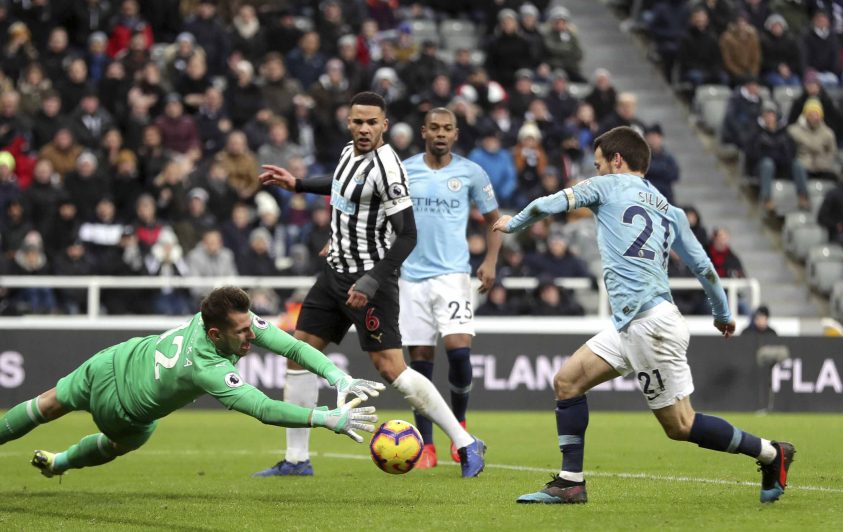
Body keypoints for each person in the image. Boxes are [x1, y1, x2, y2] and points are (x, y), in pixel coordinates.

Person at [493, 126, 794, 504]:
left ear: (617, 161)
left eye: (600, 163)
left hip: (649, 327)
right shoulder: (672, 211)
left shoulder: (607, 186)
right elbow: (705, 269)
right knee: (567, 381)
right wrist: (723, 314)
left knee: (681, 425)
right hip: (633, 323)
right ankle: (570, 482)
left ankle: (771, 453)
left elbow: (548, 204)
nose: (597, 170)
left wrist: (512, 223)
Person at [256, 92, 486, 478]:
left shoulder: (389, 168)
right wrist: (297, 184)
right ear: (349, 123)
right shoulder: (350, 152)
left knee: (392, 369)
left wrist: (373, 278)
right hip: (334, 275)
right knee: (299, 354)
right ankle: (297, 460)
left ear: (383, 125)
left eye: (371, 123)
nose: (363, 129)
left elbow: (408, 234)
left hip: (369, 281)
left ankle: (465, 442)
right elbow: (341, 183)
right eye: (357, 122)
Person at [0, 286, 383, 477]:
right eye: (244, 332)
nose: (253, 334)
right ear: (216, 335)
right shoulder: (208, 367)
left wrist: (336, 375)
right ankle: (59, 464)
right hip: (124, 413)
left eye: (252, 325)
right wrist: (325, 418)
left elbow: (291, 346)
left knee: (46, 404)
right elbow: (264, 409)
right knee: (124, 442)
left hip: (110, 363)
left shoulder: (216, 317)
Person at [399, 108, 503, 468]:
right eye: (434, 128)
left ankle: (459, 426)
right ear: (423, 131)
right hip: (410, 278)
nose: (440, 134)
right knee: (420, 364)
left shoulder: (471, 172)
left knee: (459, 353)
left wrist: (489, 262)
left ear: (456, 134)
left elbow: (495, 220)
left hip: (454, 277)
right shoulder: (404, 169)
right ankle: (425, 444)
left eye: (447, 129)